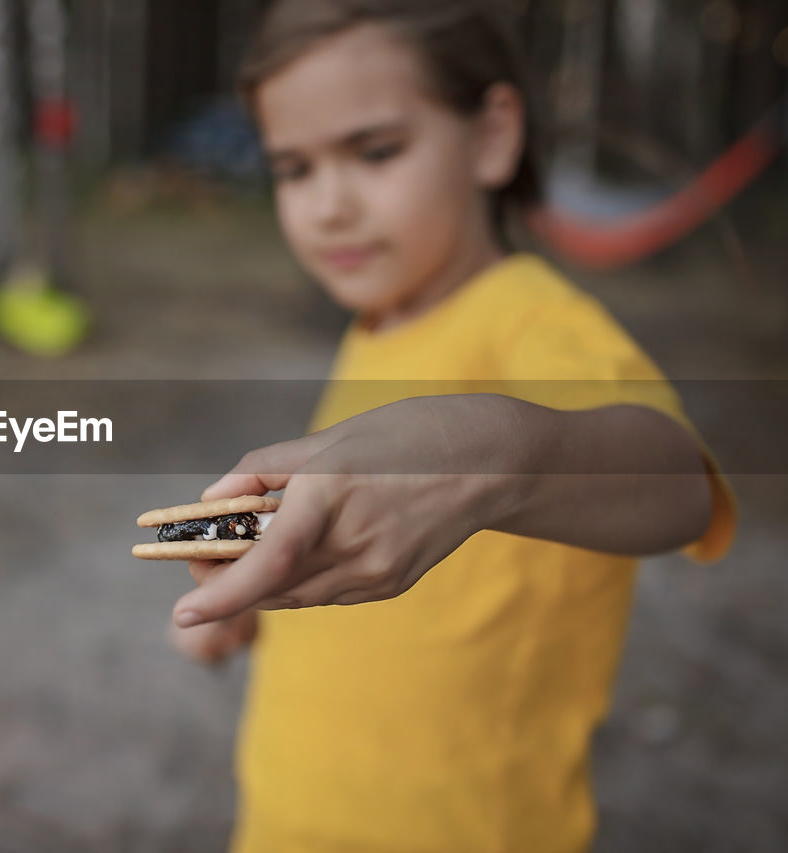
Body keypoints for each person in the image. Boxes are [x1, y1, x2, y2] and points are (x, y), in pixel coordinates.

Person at [167, 2, 739, 851]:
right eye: (293, 169)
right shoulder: (377, 326)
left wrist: (492, 453)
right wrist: (256, 597)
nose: (328, 206)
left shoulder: (535, 326)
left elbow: (680, 485)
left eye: (375, 151)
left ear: (492, 136)